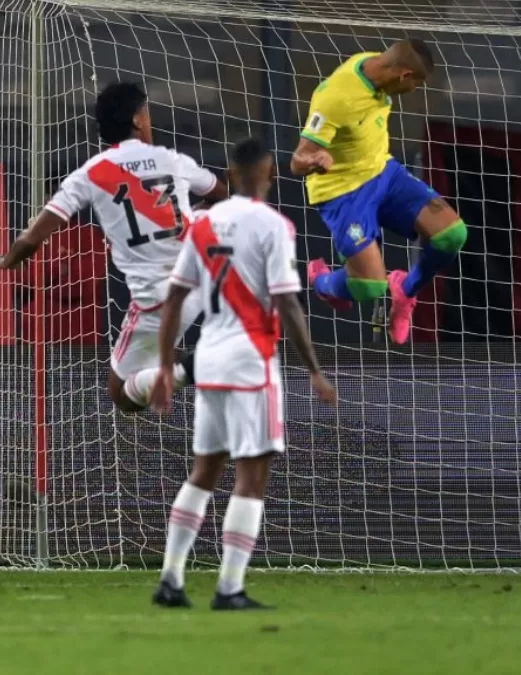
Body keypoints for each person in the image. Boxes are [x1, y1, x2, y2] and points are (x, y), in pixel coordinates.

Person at [149, 137, 335, 610]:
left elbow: (174, 298)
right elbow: (287, 301)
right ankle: (229, 588)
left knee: (204, 471)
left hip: (208, 359)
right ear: (270, 173)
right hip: (251, 362)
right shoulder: (274, 226)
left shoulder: (204, 222)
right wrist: (313, 369)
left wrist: (167, 366)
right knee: (251, 476)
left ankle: (171, 580)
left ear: (230, 173)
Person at [0, 81, 227, 411]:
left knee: (121, 394)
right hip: (203, 277)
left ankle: (194, 368)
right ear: (138, 120)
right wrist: (190, 216)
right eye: (148, 114)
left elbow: (32, 238)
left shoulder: (89, 174)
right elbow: (221, 196)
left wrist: (8, 260)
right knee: (162, 354)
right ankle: (199, 367)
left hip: (158, 299)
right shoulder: (172, 160)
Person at [292, 38, 467, 344]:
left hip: (383, 174)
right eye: (416, 85)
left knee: (452, 234)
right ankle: (321, 281)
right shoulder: (336, 98)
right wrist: (316, 159)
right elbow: (297, 161)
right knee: (369, 287)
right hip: (343, 191)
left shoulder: (376, 64)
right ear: (404, 77)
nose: (414, 92)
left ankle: (405, 292)